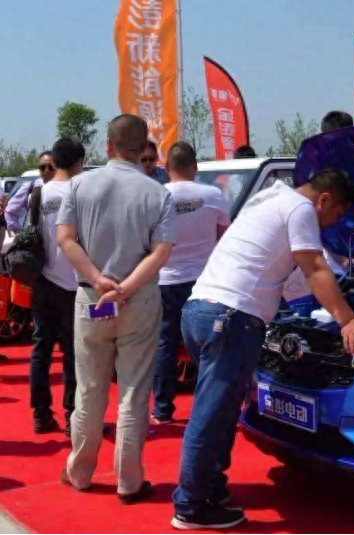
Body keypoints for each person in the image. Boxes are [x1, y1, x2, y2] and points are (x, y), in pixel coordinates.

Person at [171, 168, 354, 530]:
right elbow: (314, 267)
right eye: (337, 213)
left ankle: (211, 489)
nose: (334, 222)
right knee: (211, 415)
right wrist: (348, 319)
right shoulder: (300, 209)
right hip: (231, 317)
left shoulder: (269, 198)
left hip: (201, 309)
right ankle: (191, 505)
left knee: (220, 412)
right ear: (324, 199)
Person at [57, 114, 176, 504]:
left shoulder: (79, 185)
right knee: (134, 391)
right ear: (143, 149)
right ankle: (129, 481)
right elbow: (161, 252)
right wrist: (125, 288)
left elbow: (66, 239)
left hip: (92, 298)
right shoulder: (157, 193)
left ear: (108, 145)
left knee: (90, 389)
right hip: (138, 299)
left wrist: (98, 279)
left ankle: (79, 472)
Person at [152, 142, 230, 425]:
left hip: (166, 279)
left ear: (166, 168)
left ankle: (163, 408)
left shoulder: (156, 196)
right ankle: (208, 407)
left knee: (166, 343)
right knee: (209, 344)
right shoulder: (213, 195)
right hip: (204, 280)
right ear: (195, 166)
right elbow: (224, 237)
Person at [29, 138, 84, 435]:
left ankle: (41, 414)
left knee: (41, 348)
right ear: (79, 162)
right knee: (74, 352)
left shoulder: (38, 194)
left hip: (43, 280)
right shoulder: (80, 192)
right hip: (75, 282)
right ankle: (72, 414)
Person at [6, 151, 55, 231]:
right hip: (38, 237)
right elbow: (10, 210)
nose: (46, 170)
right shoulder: (30, 187)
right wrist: (17, 230)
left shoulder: (66, 187)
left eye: (50, 167)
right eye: (42, 167)